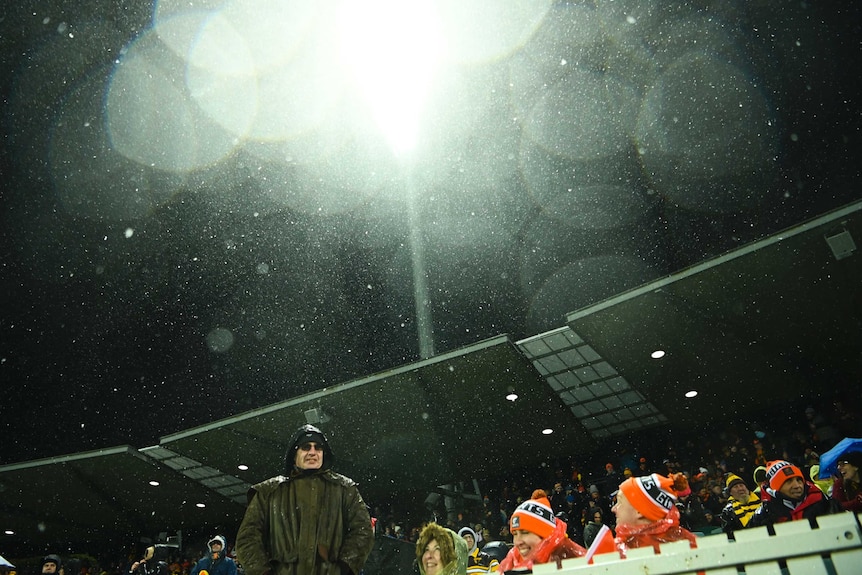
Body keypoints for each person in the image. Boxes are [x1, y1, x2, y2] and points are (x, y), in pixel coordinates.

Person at [235, 424, 374, 575]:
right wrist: (263, 572)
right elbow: (247, 539)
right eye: (306, 447)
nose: (313, 452)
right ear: (294, 454)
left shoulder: (346, 489)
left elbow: (363, 531)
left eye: (318, 447)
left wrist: (344, 568)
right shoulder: (268, 492)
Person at [609, 473, 697, 558]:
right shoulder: (692, 546)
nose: (613, 509)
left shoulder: (614, 553)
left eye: (620, 502)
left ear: (639, 510)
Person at [498, 489, 586, 573]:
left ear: (545, 535)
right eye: (515, 534)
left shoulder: (574, 561)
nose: (517, 542)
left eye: (525, 532)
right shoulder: (511, 562)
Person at [748, 460, 843, 528]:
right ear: (776, 487)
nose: (797, 485)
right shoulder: (764, 514)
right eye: (789, 481)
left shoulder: (823, 502)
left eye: (799, 480)